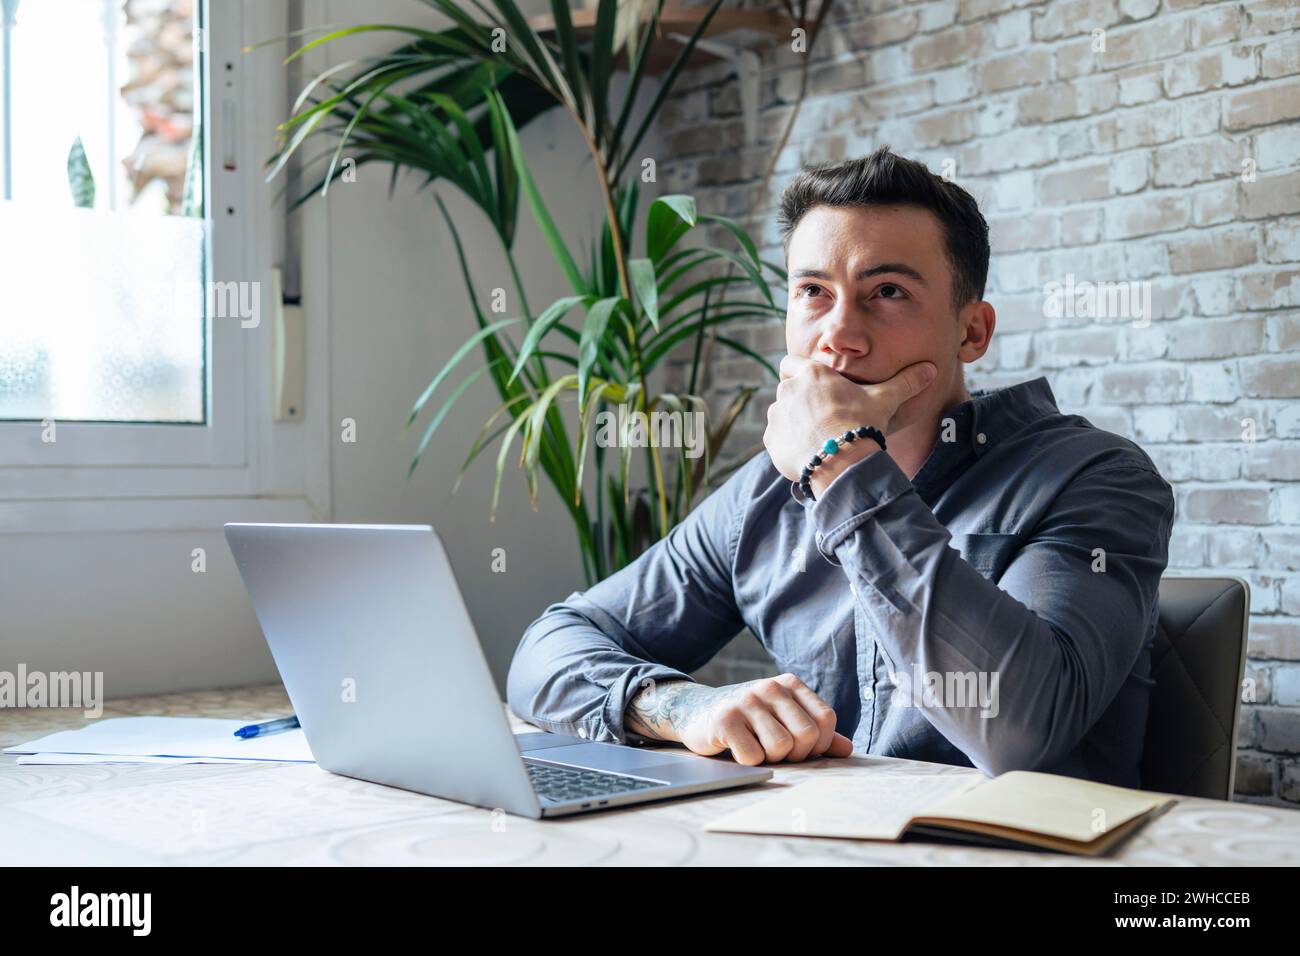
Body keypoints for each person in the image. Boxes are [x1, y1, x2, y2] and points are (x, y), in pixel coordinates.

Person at [507, 146, 1175, 787]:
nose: (839, 334)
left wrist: (844, 466)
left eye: (886, 291)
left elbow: (1019, 733)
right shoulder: (765, 495)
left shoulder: (1096, 476)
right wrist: (684, 708)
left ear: (972, 331)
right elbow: (549, 650)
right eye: (814, 292)